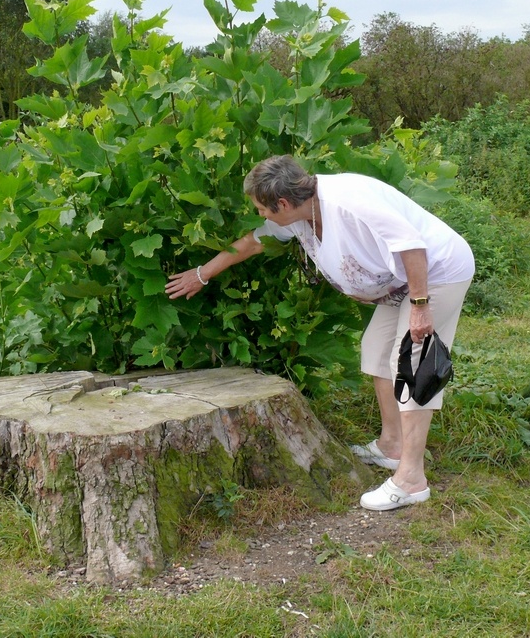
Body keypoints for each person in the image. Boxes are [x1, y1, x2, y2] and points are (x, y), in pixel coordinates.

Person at [165, 154, 474, 511]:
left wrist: (421, 305)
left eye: (262, 209)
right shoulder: (301, 214)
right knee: (375, 351)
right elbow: (251, 242)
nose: (261, 216)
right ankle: (393, 445)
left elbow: (411, 244)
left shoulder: (349, 202)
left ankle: (411, 480)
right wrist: (201, 274)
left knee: (412, 363)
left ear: (281, 203)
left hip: (434, 274)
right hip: (398, 284)